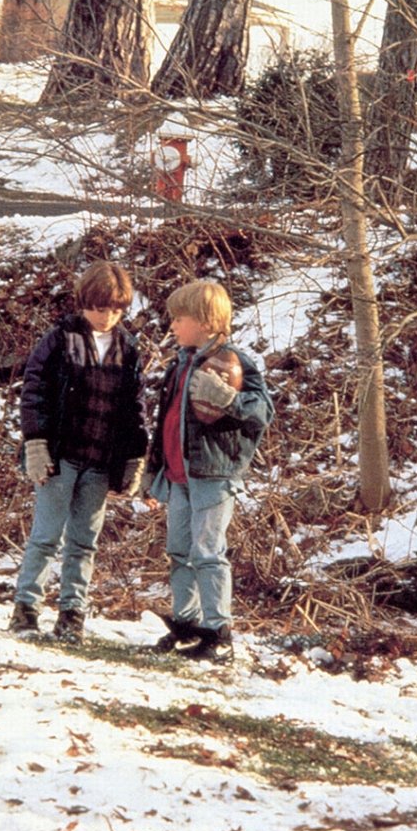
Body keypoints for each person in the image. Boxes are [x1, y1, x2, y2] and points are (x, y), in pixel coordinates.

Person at [10, 261, 148, 645]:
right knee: (46, 536)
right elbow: (33, 392)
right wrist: (35, 443)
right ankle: (26, 608)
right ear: (83, 302)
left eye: (116, 309)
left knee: (84, 541)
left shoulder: (129, 349)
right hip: (59, 456)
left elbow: (134, 409)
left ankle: (72, 614)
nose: (107, 317)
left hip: (101, 461)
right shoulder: (58, 339)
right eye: (99, 308)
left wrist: (133, 457)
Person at [143, 279, 274, 663]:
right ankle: (187, 625)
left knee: (208, 552)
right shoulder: (180, 362)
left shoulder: (234, 361)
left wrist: (230, 399)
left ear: (203, 320)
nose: (172, 326)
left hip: (213, 476)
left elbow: (262, 412)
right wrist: (154, 473)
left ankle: (219, 631)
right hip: (178, 476)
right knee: (178, 551)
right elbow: (165, 421)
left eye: (178, 318)